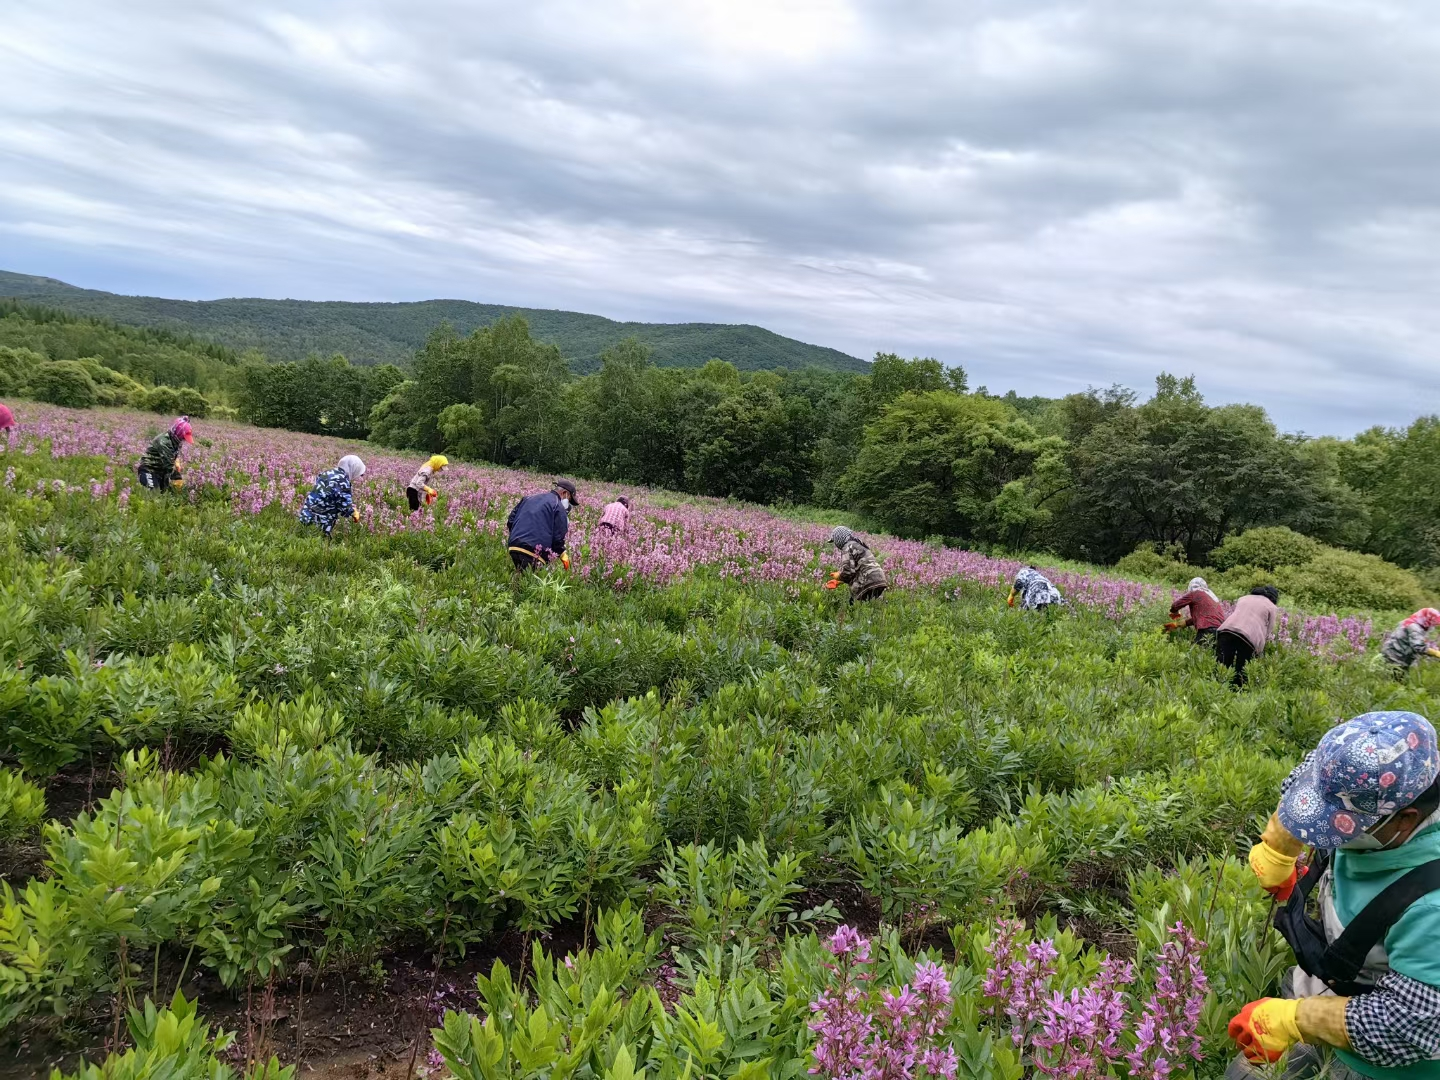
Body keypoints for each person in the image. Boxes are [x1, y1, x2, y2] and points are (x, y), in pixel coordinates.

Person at [1228, 710, 1440, 1080]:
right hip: (1339, 981)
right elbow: (1315, 777)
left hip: (1391, 1057)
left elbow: (1415, 1023)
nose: (1325, 833)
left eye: (1339, 826)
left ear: (1406, 819)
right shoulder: (1380, 774)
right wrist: (1281, 843)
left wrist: (1298, 1020)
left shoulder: (1431, 908)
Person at [506, 479, 577, 571]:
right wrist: (562, 553)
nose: (568, 503)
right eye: (569, 499)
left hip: (514, 546)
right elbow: (559, 536)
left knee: (521, 576)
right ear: (564, 493)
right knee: (532, 582)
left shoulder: (529, 498)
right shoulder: (558, 506)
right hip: (534, 552)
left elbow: (511, 520)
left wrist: (518, 537)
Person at [1215, 585, 1280, 687]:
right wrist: (1259, 650)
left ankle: (1218, 687)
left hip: (1226, 630)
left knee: (1223, 664)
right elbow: (1268, 631)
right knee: (1242, 668)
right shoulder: (1271, 606)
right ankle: (1237, 692)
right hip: (1248, 637)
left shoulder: (1243, 598)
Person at [299, 454, 365, 537]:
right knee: (319, 543)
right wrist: (353, 512)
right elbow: (345, 508)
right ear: (353, 469)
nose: (359, 476)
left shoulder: (327, 473)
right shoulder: (342, 481)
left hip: (306, 514)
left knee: (302, 538)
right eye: (359, 472)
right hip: (320, 521)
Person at [825, 526, 887, 602]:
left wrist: (839, 576)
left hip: (867, 581)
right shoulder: (858, 544)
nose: (835, 544)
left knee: (853, 606)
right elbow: (857, 570)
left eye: (835, 541)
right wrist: (838, 582)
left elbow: (848, 572)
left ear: (839, 539)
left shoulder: (847, 547)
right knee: (875, 606)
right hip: (879, 580)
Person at [137, 416, 193, 492]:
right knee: (154, 493)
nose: (183, 440)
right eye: (183, 438)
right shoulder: (164, 442)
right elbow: (168, 465)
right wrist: (178, 478)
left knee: (165, 493)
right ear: (179, 433)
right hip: (148, 470)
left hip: (161, 472)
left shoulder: (175, 440)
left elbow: (173, 456)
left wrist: (176, 461)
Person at [1380, 609, 1440, 679]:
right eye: (1433, 622)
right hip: (1396, 655)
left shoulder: (1413, 622)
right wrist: (1435, 653)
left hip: (1397, 653)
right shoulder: (1414, 628)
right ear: (1427, 619)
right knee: (1396, 680)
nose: (1433, 626)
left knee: (1397, 679)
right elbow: (1418, 647)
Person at [1169, 576, 1226, 644]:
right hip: (1221, 632)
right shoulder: (1213, 599)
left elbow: (1175, 606)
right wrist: (1186, 623)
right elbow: (1206, 616)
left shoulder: (1195, 593)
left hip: (1207, 630)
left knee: (1196, 652)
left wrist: (1175, 614)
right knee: (1209, 653)